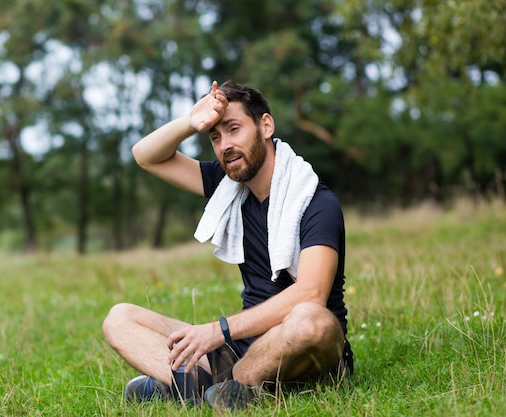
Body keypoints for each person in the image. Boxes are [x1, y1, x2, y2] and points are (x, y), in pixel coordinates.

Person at [102, 80, 353, 410]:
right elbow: (146, 156)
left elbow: (311, 294)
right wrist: (190, 123)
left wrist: (219, 330)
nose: (225, 146)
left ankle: (206, 383)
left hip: (301, 346)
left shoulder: (315, 202)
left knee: (310, 319)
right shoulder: (228, 186)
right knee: (119, 319)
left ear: (265, 125)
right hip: (243, 344)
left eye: (234, 129)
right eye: (216, 137)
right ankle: (214, 388)